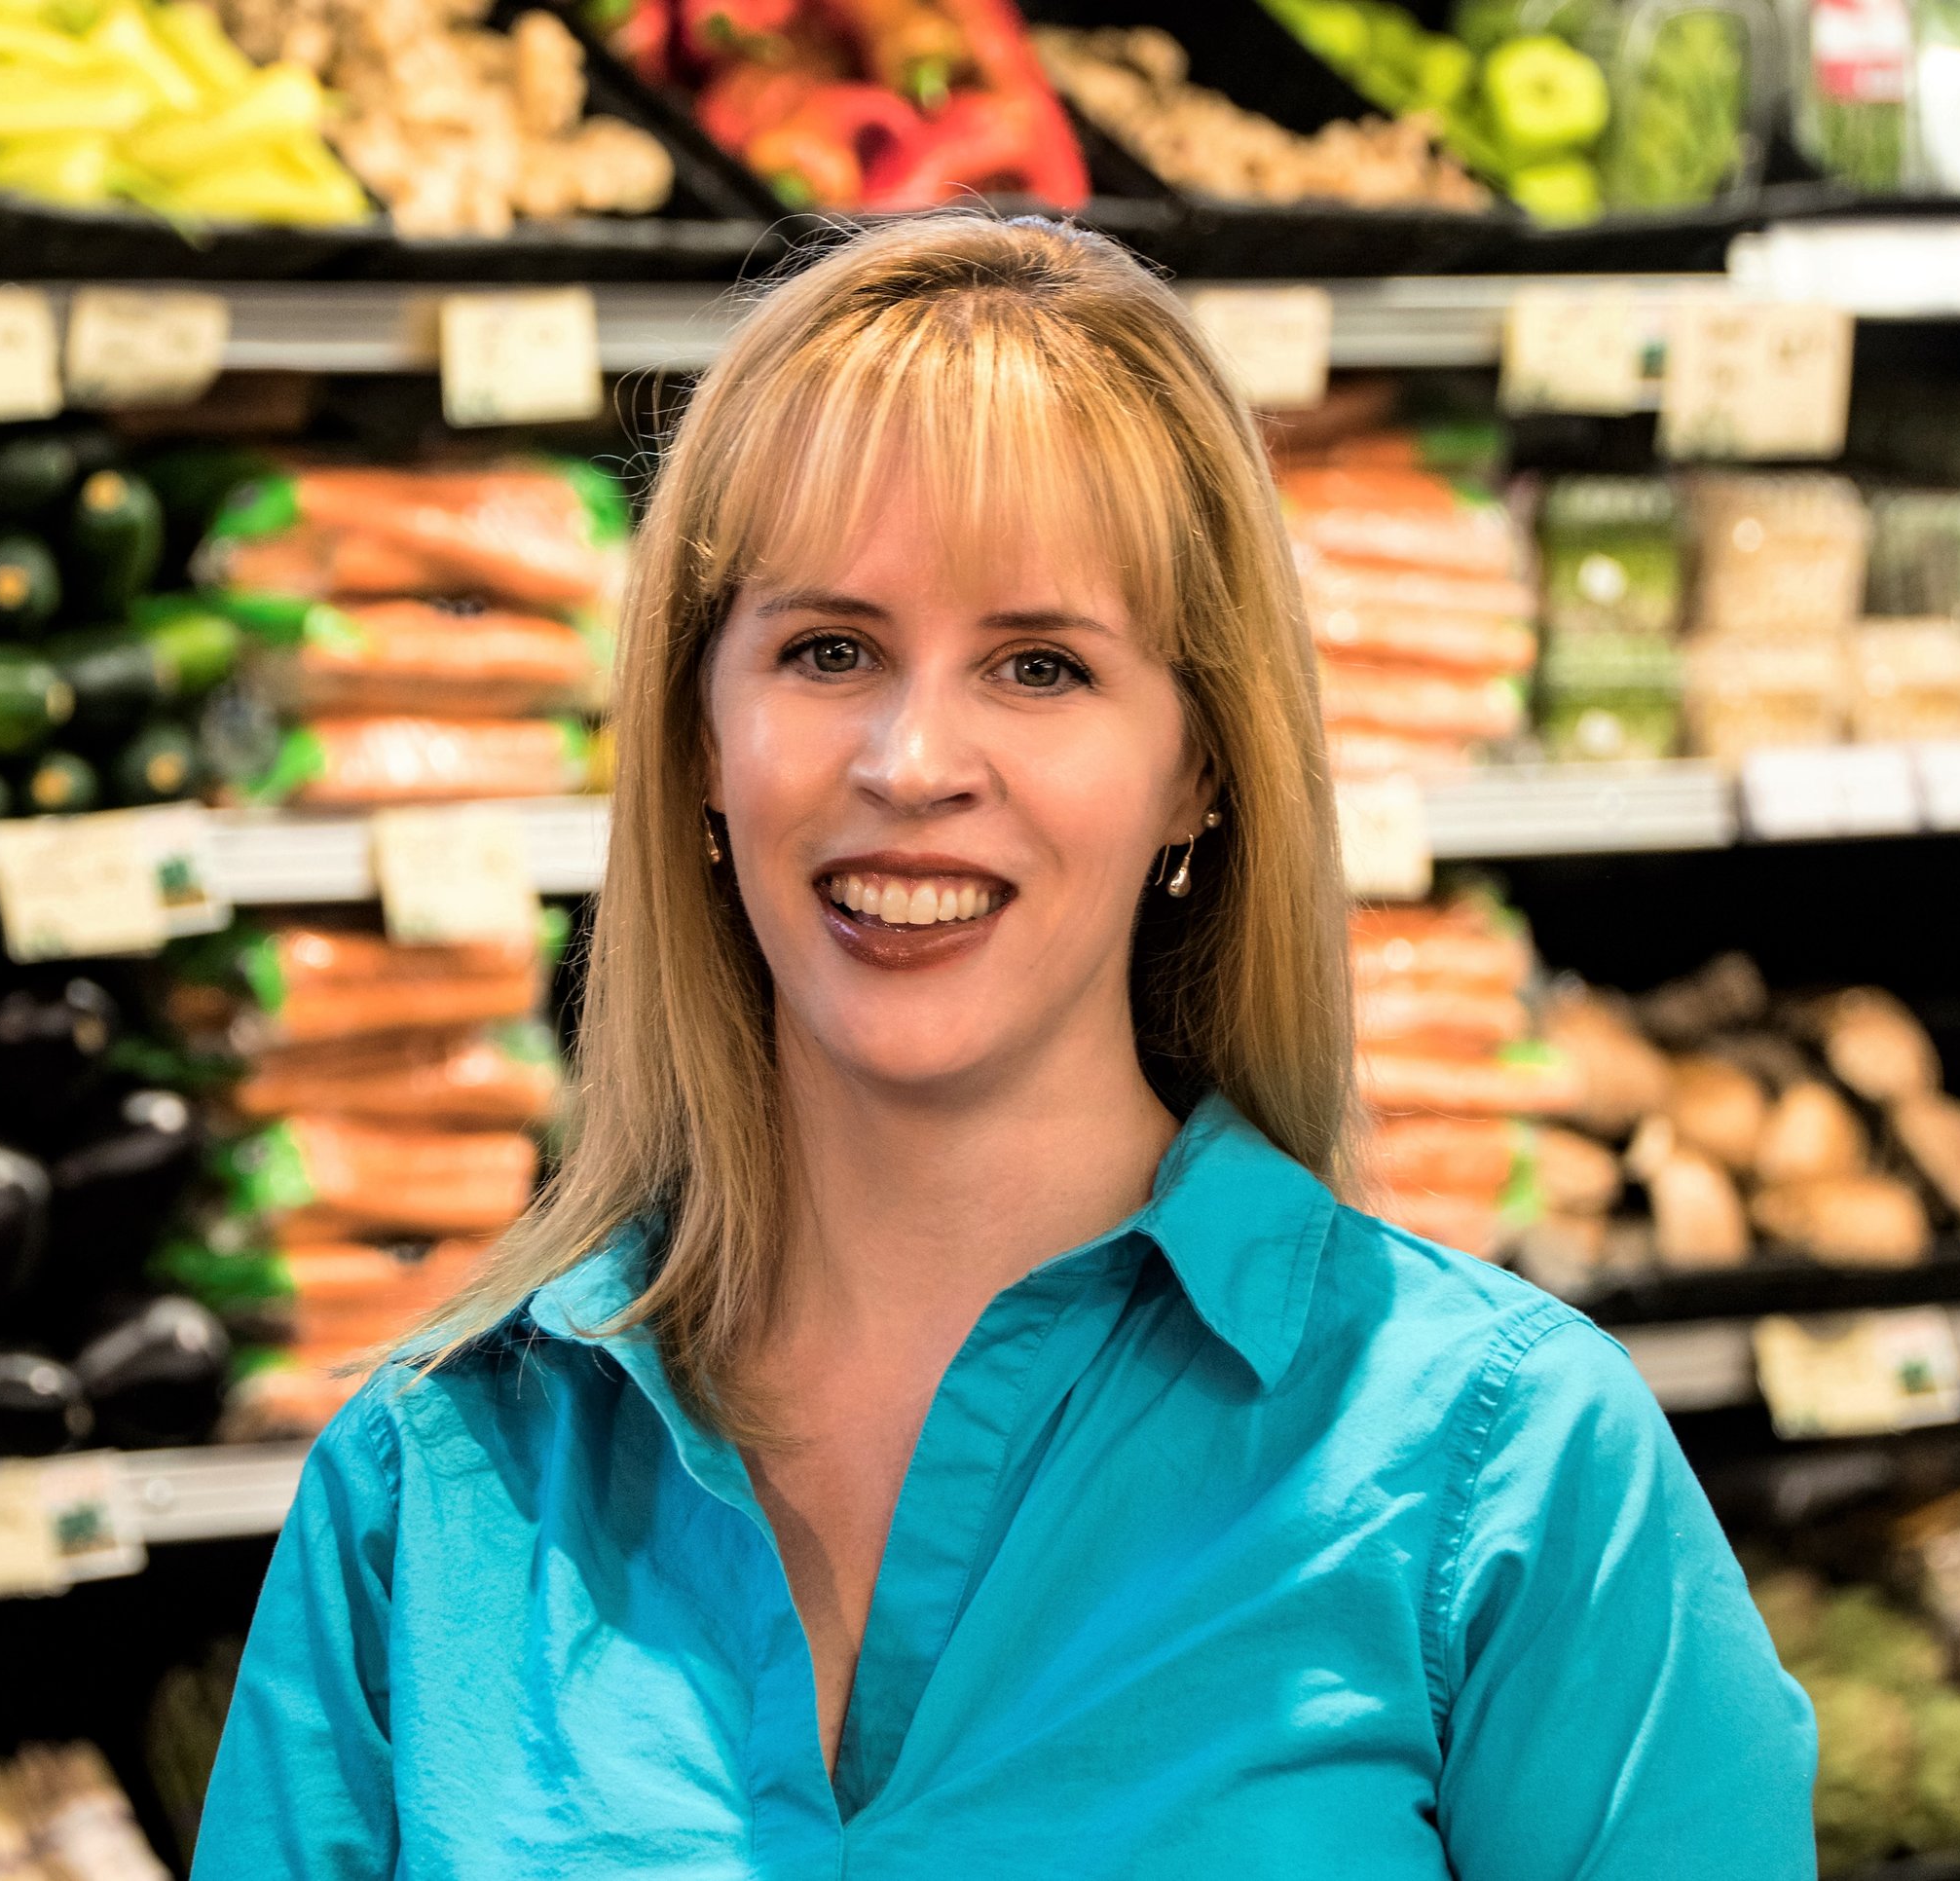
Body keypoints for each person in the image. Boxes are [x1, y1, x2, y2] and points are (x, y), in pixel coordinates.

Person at [195, 214, 1815, 1878]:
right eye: (829, 651)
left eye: (1039, 666)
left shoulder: (1507, 1468)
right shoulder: (434, 1487)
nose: (912, 758)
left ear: (1201, 766)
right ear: (698, 735)